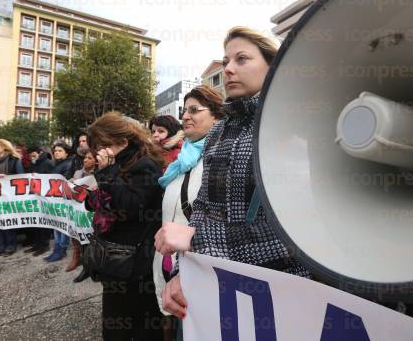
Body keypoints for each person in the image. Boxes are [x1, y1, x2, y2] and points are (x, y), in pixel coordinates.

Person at [155, 27, 310, 319]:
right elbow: (202, 207)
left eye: (241, 59)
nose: (228, 69)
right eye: (225, 61)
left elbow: (304, 235)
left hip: (281, 293)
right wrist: (181, 270)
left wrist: (197, 240)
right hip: (216, 286)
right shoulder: (218, 130)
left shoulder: (296, 127)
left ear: (273, 65)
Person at [152, 86, 224, 338]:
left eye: (194, 110)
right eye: (184, 111)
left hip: (202, 273)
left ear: (216, 116)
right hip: (169, 267)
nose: (185, 116)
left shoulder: (222, 158)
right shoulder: (181, 160)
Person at [86, 111, 164, 340]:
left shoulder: (145, 165)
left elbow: (129, 206)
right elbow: (106, 200)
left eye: (103, 145)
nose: (98, 152)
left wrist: (107, 174)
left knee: (142, 323)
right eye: (95, 147)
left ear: (122, 142)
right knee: (115, 321)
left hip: (135, 261)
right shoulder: (116, 164)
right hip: (115, 259)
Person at [0, 139, 24, 258]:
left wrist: (8, 177)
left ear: (4, 147)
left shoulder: (14, 160)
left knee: (9, 221)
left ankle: (10, 246)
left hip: (10, 197)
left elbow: (21, 178)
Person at [67, 150, 97, 277]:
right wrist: (70, 183)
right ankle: (81, 263)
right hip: (77, 210)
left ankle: (93, 266)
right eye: (85, 157)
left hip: (91, 210)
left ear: (96, 161)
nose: (85, 160)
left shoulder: (99, 173)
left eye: (90, 158)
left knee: (91, 239)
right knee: (77, 235)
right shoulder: (78, 172)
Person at [44, 141, 73, 263]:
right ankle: (57, 249)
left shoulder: (68, 164)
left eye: (60, 150)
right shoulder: (57, 164)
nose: (56, 152)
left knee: (62, 225)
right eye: (55, 151)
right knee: (56, 224)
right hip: (55, 199)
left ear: (66, 153)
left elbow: (63, 181)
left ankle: (61, 249)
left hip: (63, 199)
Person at [25, 146, 55, 257]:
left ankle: (44, 245)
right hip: (35, 197)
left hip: (45, 197)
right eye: (30, 156)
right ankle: (37, 244)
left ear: (40, 153)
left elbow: (53, 179)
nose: (32, 157)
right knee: (36, 223)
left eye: (34, 155)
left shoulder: (48, 163)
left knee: (44, 223)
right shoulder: (33, 164)